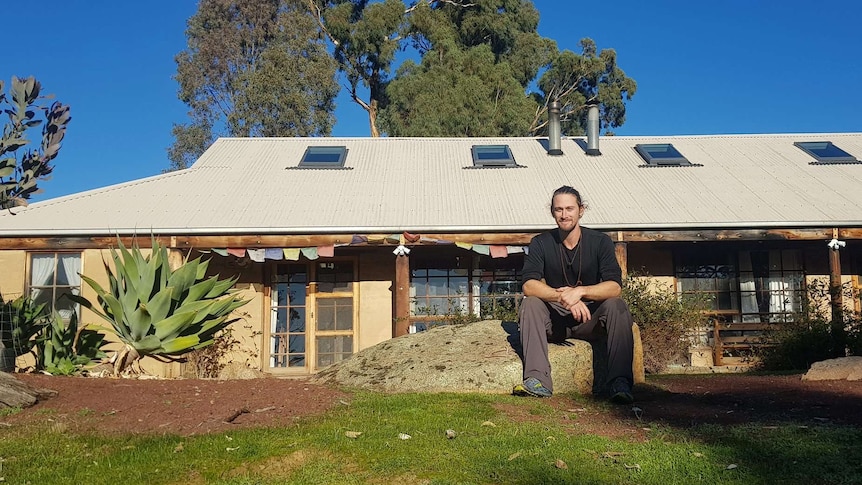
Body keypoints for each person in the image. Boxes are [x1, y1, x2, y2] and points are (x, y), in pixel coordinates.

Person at [514, 185, 635, 404]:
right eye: (558, 209)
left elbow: (614, 287)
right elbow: (529, 285)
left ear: (581, 210)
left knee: (617, 306)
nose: (564, 214)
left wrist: (580, 292)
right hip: (555, 320)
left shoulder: (600, 242)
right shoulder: (540, 243)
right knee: (530, 303)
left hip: (590, 319)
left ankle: (619, 383)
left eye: (569, 208)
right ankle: (536, 380)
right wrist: (563, 298)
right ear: (552, 212)